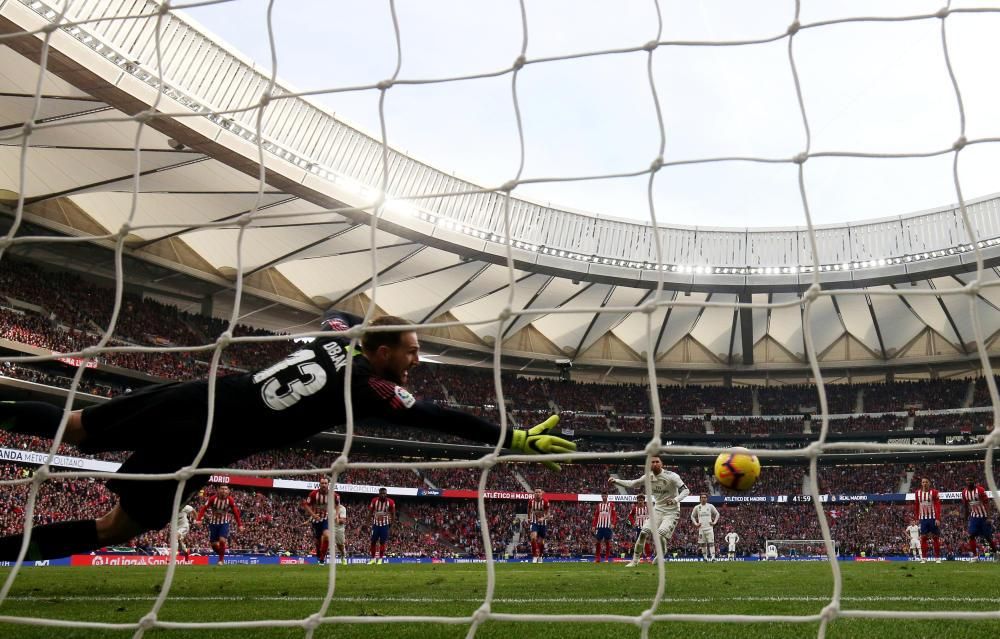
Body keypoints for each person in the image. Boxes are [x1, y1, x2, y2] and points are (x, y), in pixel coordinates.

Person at [0, 313, 574, 560]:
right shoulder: (370, 388)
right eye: (411, 351)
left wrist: (351, 328)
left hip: (197, 395)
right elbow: (438, 418)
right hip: (207, 442)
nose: (417, 360)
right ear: (380, 353)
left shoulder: (333, 341)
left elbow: (338, 318)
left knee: (75, 425)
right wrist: (515, 439)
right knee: (116, 528)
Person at [609, 456, 689, 568]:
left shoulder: (672, 476)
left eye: (657, 462)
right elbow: (633, 483)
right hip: (657, 510)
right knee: (643, 533)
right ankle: (634, 561)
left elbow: (686, 490)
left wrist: (675, 500)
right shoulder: (648, 477)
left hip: (672, 512)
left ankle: (662, 553)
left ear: (662, 464)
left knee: (660, 535)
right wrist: (616, 481)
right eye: (652, 462)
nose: (655, 464)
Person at [195, 484, 242, 565]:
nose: (224, 491)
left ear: (228, 491)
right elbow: (203, 508)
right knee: (214, 545)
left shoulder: (230, 500)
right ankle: (222, 554)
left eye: (225, 489)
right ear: (218, 490)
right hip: (213, 523)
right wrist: (199, 519)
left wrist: (240, 525)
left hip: (224, 523)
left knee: (222, 540)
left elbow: (236, 513)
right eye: (222, 489)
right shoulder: (213, 498)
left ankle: (221, 560)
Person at [961, 477, 997, 560]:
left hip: (984, 517)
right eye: (967, 480)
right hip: (974, 517)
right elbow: (966, 508)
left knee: (988, 537)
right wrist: (965, 521)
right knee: (971, 535)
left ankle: (995, 553)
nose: (969, 481)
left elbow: (987, 504)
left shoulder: (980, 490)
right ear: (965, 481)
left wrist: (989, 517)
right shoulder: (964, 493)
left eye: (971, 480)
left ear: (974, 481)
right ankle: (975, 556)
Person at [913, 477, 942, 564]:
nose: (924, 484)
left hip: (933, 518)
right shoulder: (917, 493)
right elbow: (917, 506)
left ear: (929, 483)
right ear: (921, 483)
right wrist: (917, 518)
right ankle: (924, 558)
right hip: (923, 519)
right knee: (923, 538)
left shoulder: (934, 492)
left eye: (926, 482)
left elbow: (938, 506)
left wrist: (937, 518)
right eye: (923, 482)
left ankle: (937, 558)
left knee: (935, 538)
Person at [303, 476, 332, 564]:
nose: (324, 485)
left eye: (325, 483)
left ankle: (322, 559)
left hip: (325, 518)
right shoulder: (313, 494)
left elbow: (337, 505)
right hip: (315, 520)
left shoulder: (332, 494)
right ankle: (319, 555)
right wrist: (313, 515)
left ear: (328, 484)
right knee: (317, 541)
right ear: (319, 484)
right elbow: (306, 504)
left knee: (327, 536)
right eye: (322, 483)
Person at [368, 487, 395, 564]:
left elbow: (393, 514)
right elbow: (370, 512)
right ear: (379, 494)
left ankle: (380, 559)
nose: (383, 495)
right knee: (373, 542)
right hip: (375, 525)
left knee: (382, 542)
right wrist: (366, 523)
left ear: (386, 494)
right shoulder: (374, 501)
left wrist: (392, 526)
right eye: (381, 493)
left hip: (385, 525)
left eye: (384, 493)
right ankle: (373, 559)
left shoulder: (391, 502)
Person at [690, 493, 720, 561]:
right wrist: (696, 523)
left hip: (709, 528)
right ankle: (705, 558)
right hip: (701, 529)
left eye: (705, 497)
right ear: (700, 499)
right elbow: (692, 516)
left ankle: (713, 558)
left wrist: (714, 522)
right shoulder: (697, 507)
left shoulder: (710, 506)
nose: (703, 499)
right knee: (703, 544)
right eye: (702, 497)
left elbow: (717, 514)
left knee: (711, 543)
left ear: (707, 499)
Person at [592, 491, 617, 563]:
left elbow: (614, 515)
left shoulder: (611, 504)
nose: (604, 497)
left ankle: (606, 558)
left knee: (607, 542)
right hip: (600, 526)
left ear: (607, 496)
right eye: (603, 496)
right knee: (597, 542)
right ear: (601, 496)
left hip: (607, 526)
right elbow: (596, 516)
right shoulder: (599, 505)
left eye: (605, 496)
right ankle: (597, 559)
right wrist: (594, 525)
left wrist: (613, 523)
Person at [627, 494, 651, 563]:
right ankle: (639, 557)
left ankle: (648, 557)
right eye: (639, 500)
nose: (640, 501)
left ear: (644, 500)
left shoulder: (648, 508)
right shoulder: (635, 508)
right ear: (637, 501)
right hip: (638, 527)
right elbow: (630, 516)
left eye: (642, 500)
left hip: (646, 527)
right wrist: (633, 522)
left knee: (646, 541)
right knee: (639, 542)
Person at [528, 488, 549, 564]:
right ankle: (534, 556)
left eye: (539, 492)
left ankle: (540, 556)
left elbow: (548, 514)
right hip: (534, 523)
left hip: (543, 524)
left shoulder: (545, 502)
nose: (537, 493)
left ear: (541, 493)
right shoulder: (531, 501)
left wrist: (543, 518)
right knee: (533, 538)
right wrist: (529, 517)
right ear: (534, 493)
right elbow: (529, 509)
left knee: (541, 542)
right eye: (536, 492)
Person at [332, 491, 348, 565]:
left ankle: (343, 556)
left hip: (339, 529)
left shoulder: (342, 508)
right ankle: (321, 560)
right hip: (330, 528)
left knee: (340, 545)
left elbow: (343, 521)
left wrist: (336, 518)